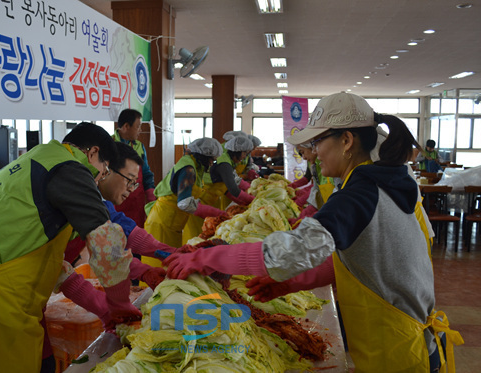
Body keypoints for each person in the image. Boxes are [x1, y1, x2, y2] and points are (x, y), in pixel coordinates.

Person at [163, 92, 463, 372]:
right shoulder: (380, 183)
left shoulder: (361, 194)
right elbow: (357, 261)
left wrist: (208, 258)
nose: (314, 152)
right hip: (402, 341)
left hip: (397, 353)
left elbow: (286, 252)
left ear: (347, 140)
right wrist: (292, 283)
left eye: (319, 141)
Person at [0, 122, 142, 373]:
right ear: (92, 153)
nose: (101, 177)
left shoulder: (36, 162)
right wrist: (120, 305)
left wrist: (102, 304)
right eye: (105, 168)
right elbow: (106, 241)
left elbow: (34, 255)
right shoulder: (71, 168)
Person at [40, 142, 172, 371]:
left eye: (136, 182)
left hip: (29, 301)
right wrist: (116, 304)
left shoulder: (93, 202)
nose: (132, 187)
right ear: (101, 164)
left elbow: (118, 236)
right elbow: (109, 252)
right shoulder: (68, 193)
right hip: (3, 300)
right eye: (129, 179)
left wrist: (158, 261)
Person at [143, 137, 228, 261]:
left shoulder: (194, 166)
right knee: (159, 265)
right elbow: (184, 203)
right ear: (203, 155)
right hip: (162, 223)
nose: (211, 164)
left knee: (173, 263)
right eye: (211, 160)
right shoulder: (188, 169)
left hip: (174, 224)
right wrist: (214, 212)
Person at [113, 109, 156, 227]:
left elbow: (146, 173)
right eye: (138, 127)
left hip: (137, 201)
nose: (140, 131)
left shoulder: (139, 146)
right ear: (126, 126)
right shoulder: (109, 145)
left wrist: (151, 195)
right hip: (116, 201)